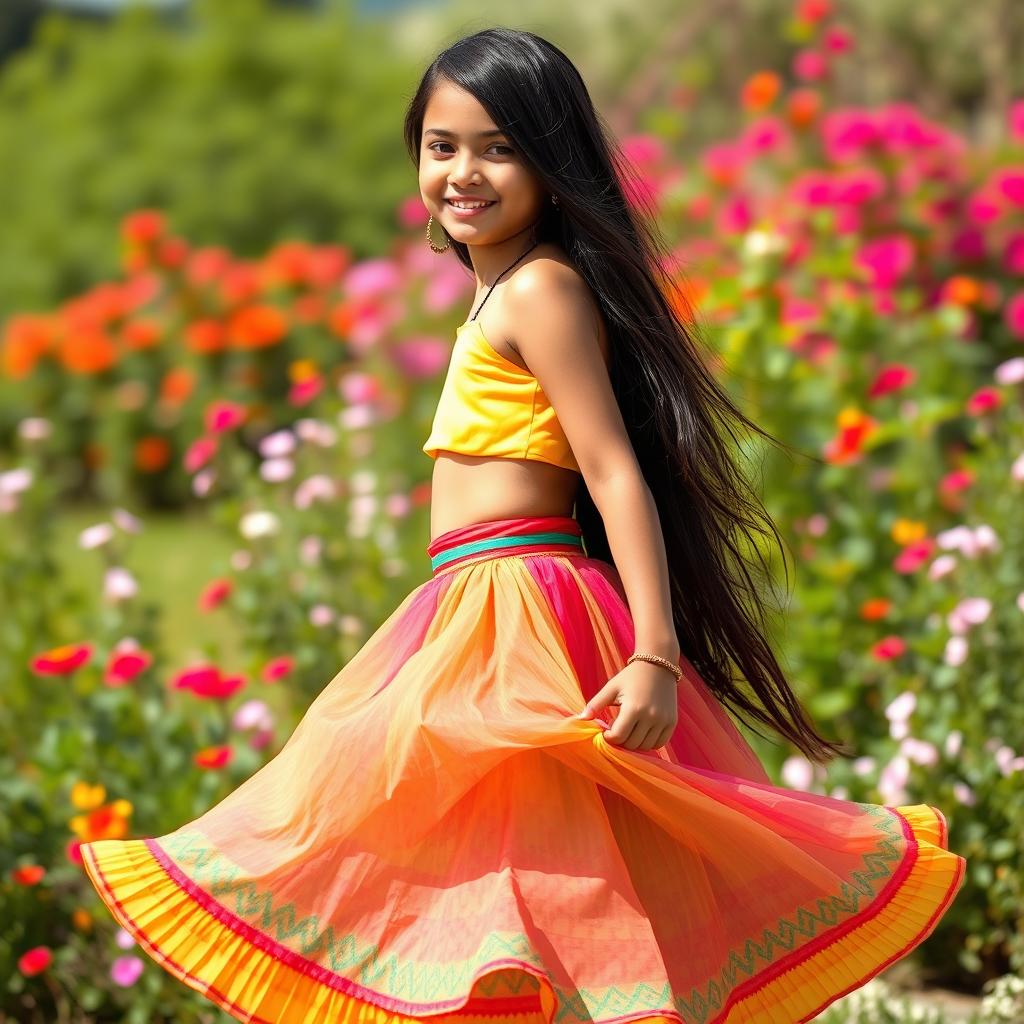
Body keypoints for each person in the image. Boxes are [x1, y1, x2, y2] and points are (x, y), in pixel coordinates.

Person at [80, 27, 966, 1024]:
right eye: (441, 144)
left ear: (553, 163)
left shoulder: (540, 288)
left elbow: (612, 468)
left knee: (539, 874)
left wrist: (656, 654)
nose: (463, 171)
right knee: (488, 875)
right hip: (472, 602)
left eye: (498, 147)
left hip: (521, 610)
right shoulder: (497, 289)